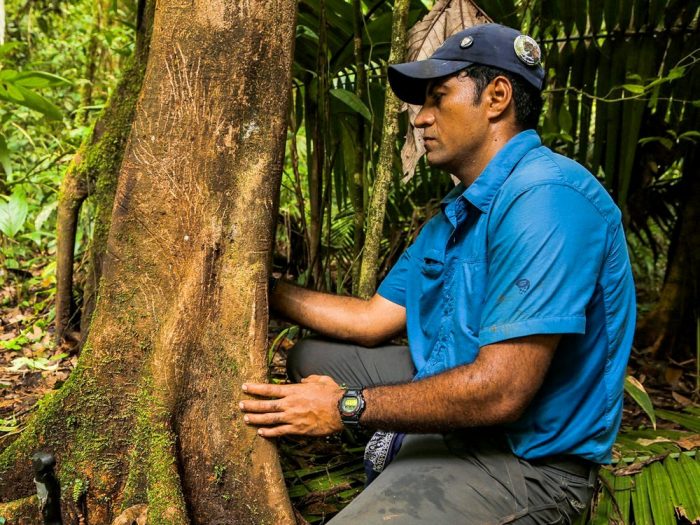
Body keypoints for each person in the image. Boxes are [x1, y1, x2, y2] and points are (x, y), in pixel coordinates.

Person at [239, 23, 636, 524]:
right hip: (465, 405)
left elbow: (502, 391)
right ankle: (416, 440)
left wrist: (347, 407)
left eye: (438, 98)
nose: (421, 120)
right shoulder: (457, 214)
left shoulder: (547, 199)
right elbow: (370, 320)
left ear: (496, 97)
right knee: (313, 356)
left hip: (524, 462)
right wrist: (257, 286)